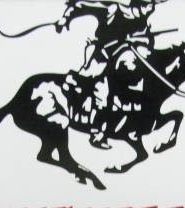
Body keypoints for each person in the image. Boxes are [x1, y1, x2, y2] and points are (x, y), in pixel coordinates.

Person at [56, 0, 161, 149]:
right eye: (147, 4)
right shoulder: (114, 9)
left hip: (123, 61)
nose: (150, 8)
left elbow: (147, 43)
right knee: (102, 89)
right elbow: (81, 5)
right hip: (101, 55)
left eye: (152, 5)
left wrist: (140, 40)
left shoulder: (143, 22)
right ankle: (97, 132)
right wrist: (65, 19)